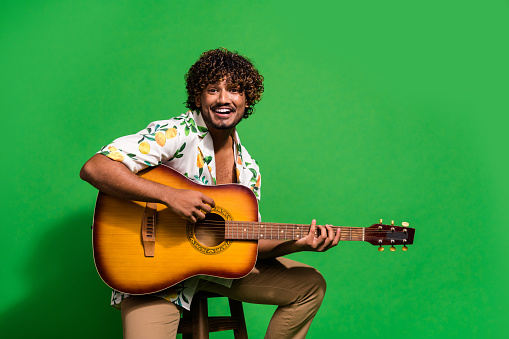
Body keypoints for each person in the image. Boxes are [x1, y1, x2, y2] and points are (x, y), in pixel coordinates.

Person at [80, 48, 340, 339]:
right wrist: (169, 196)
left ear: (246, 99)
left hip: (214, 270)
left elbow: (249, 244)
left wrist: (297, 244)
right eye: (212, 89)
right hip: (155, 276)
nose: (223, 99)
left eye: (235, 90)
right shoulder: (176, 133)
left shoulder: (248, 169)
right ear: (199, 96)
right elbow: (96, 167)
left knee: (310, 285)